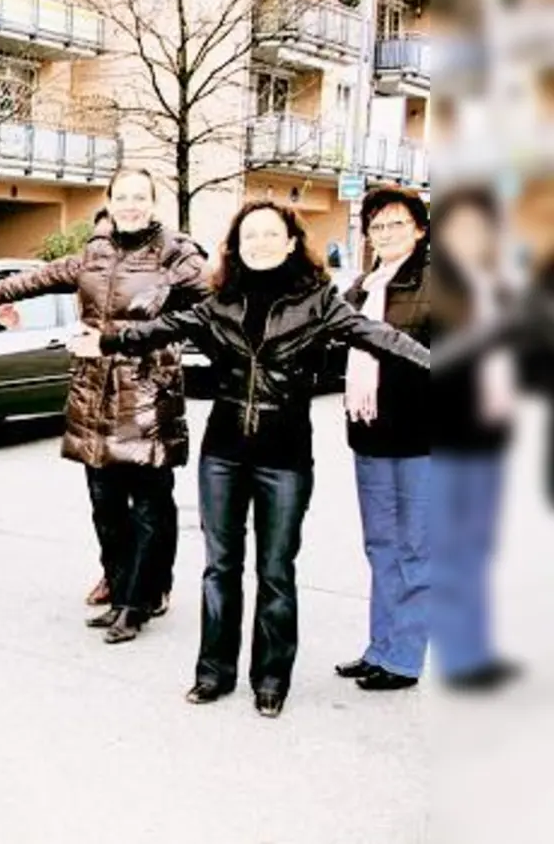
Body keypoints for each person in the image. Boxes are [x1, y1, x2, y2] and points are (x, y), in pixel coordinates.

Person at [70, 200, 430, 718]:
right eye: (249, 235)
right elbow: (160, 328)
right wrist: (106, 340)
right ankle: (214, 672)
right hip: (223, 454)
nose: (259, 242)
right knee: (220, 567)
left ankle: (271, 677)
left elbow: (383, 337)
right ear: (236, 246)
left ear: (290, 242)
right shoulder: (221, 301)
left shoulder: (320, 301)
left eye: (270, 233)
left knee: (276, 571)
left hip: (285, 457)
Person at [0, 168, 209, 643]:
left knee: (149, 505)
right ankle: (123, 585)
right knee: (105, 504)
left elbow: (211, 308)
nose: (130, 205)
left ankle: (138, 601)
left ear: (153, 201)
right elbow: (45, 275)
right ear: (109, 200)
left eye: (139, 197)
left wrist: (146, 339)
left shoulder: (177, 254)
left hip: (146, 395)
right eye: (122, 197)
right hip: (94, 395)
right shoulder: (96, 250)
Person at [422, 188, 521, 692]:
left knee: (475, 550)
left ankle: (472, 651)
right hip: (444, 438)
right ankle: (458, 656)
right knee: (447, 550)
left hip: (487, 437)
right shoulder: (436, 292)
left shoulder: (498, 289)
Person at [336, 187, 433, 693]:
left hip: (423, 439)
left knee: (416, 549)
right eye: (377, 226)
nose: (386, 234)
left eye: (397, 224)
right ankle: (380, 648)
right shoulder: (361, 286)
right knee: (381, 547)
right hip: (370, 435)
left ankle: (404, 659)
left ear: (420, 229)